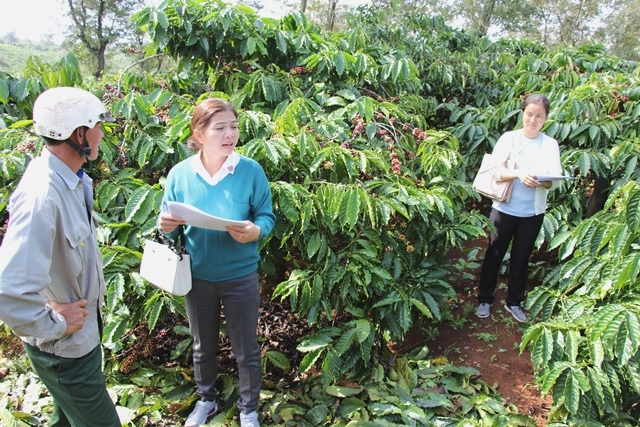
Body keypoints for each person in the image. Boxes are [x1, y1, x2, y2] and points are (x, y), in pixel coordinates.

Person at [0, 87, 121, 426]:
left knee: (66, 420)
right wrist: (56, 322)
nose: (101, 133)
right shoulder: (43, 197)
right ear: (79, 133)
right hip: (64, 352)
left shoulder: (71, 182)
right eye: (97, 125)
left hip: (78, 340)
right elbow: (9, 292)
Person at [158, 98, 275, 427]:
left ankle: (248, 409)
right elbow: (166, 219)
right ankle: (206, 400)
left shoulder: (250, 171)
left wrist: (255, 231)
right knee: (201, 345)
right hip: (198, 277)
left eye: (234, 127)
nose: (230, 134)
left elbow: (266, 216)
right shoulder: (180, 175)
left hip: (240, 277)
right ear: (199, 133)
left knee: (246, 348)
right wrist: (165, 225)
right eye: (220, 127)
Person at [476, 94, 563, 323]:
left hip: (532, 213)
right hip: (504, 209)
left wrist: (540, 181)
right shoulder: (510, 138)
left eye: (539, 116)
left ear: (546, 118)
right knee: (494, 253)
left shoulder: (550, 144)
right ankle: (485, 298)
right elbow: (495, 171)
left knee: (521, 258)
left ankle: (514, 302)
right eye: (529, 114)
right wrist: (518, 174)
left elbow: (554, 181)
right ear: (522, 113)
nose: (533, 120)